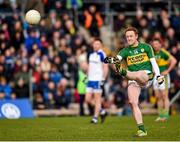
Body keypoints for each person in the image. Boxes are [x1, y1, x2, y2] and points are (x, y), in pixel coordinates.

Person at [104, 27, 164, 137]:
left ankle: (122, 71)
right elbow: (117, 59)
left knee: (138, 73)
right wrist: (111, 60)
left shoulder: (146, 47)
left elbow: (154, 63)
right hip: (133, 79)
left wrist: (159, 76)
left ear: (136, 36)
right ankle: (142, 130)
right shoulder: (125, 51)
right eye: (127, 36)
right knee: (132, 102)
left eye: (131, 36)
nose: (129, 38)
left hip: (146, 75)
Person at [151, 38, 177, 122]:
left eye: (156, 44)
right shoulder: (152, 53)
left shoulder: (163, 52)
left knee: (164, 95)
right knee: (158, 97)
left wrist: (167, 71)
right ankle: (161, 115)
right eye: (154, 44)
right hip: (156, 76)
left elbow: (174, 61)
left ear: (160, 44)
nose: (155, 46)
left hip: (163, 76)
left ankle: (166, 115)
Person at [85, 38, 108, 124]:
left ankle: (95, 118)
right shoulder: (91, 54)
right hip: (90, 79)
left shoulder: (102, 54)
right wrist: (86, 77)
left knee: (97, 100)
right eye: (94, 44)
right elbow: (89, 67)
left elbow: (105, 67)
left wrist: (103, 79)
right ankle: (102, 111)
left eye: (97, 44)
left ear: (101, 45)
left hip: (97, 80)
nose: (95, 45)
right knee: (87, 99)